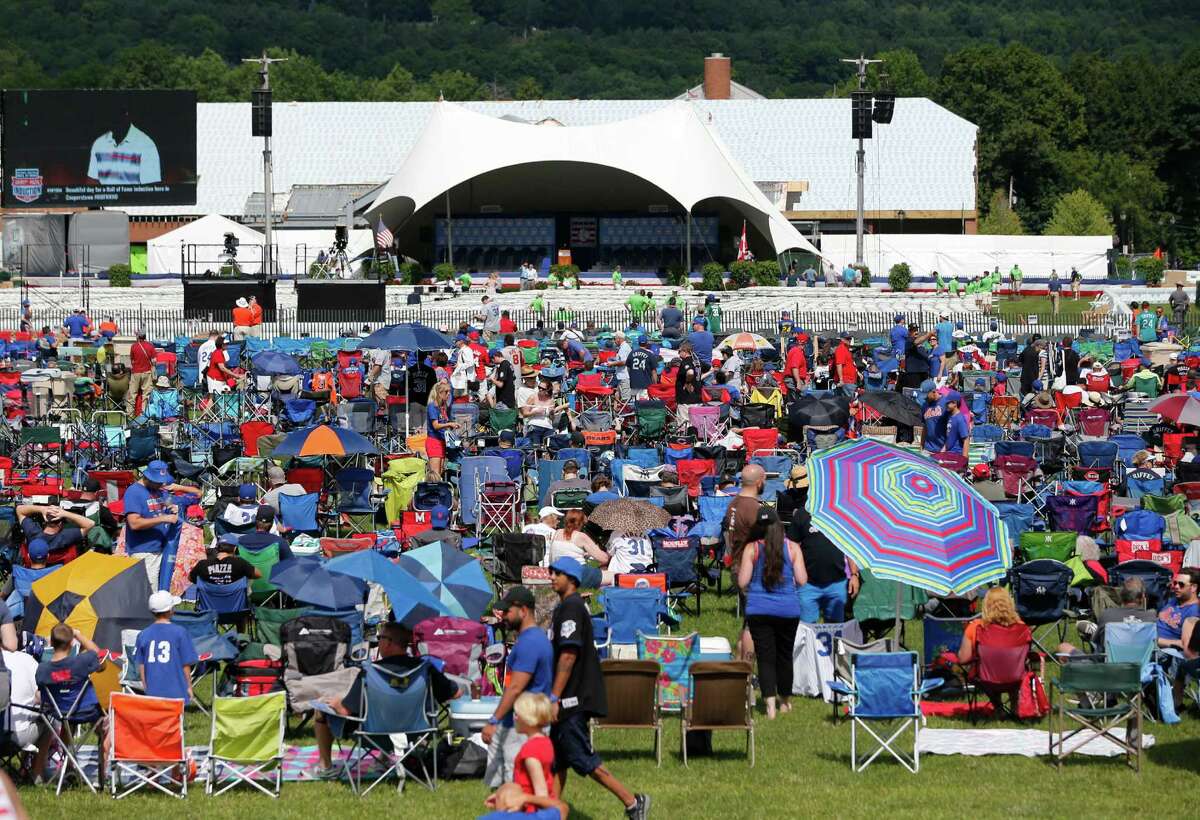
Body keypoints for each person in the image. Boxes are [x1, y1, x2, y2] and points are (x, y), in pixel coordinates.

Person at [547, 557, 648, 819]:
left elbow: (568, 656)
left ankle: (632, 802)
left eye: (556, 573)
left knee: (583, 758)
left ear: (571, 579)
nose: (551, 577)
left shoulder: (571, 608)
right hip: (566, 697)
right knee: (559, 759)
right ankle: (550, 812)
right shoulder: (564, 608)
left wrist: (554, 696)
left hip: (572, 697)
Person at [311, 621, 460, 779]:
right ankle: (383, 760)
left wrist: (334, 703)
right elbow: (455, 694)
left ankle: (325, 766)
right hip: (417, 734)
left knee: (320, 710)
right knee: (393, 707)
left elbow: (345, 710)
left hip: (373, 736)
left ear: (389, 642)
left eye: (380, 637)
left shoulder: (371, 672)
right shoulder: (425, 669)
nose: (378, 641)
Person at [738, 507, 806, 719]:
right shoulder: (793, 548)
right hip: (788, 610)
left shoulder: (752, 549)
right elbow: (802, 580)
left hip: (759, 609)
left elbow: (742, 582)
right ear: (779, 524)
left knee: (765, 658)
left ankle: (768, 706)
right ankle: (784, 702)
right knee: (784, 656)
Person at [483, 586, 555, 787]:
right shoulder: (532, 639)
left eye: (508, 611)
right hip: (520, 719)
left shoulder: (529, 643)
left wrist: (494, 720)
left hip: (523, 721)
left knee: (516, 779)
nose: (503, 616)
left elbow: (515, 687)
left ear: (523, 611)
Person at [33, 624, 111, 786]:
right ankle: (103, 777)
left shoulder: (42, 670)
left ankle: (64, 768)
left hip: (59, 713)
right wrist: (78, 635)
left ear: (51, 643)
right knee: (108, 727)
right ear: (70, 644)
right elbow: (102, 661)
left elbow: (39, 695)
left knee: (68, 719)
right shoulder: (82, 662)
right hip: (87, 712)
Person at [123, 460, 180, 588]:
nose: (162, 483)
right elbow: (134, 523)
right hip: (144, 551)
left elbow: (168, 500)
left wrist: (172, 506)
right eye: (158, 481)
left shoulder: (158, 490)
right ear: (147, 477)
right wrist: (163, 518)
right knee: (149, 593)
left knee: (162, 590)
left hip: (161, 548)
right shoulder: (134, 492)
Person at [134, 590, 198, 703]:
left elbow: (141, 665)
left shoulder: (143, 635)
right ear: (170, 611)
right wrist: (188, 686)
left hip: (153, 691)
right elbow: (186, 664)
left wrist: (146, 687)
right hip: (176, 691)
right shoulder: (180, 632)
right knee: (174, 720)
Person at [1063, 578, 1155, 655]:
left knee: (1063, 647)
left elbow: (1096, 642)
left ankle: (1093, 629)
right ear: (1143, 597)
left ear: (1121, 596)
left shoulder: (1108, 616)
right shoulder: (1151, 618)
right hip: (1142, 669)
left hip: (1109, 668)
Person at [954, 587, 1027, 667]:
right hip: (1016, 677)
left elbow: (963, 659)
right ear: (1010, 603)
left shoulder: (976, 627)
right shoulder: (1022, 627)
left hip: (982, 677)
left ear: (986, 604)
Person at [16, 503, 93, 567]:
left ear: (45, 520)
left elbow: (19, 509)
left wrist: (42, 509)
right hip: (59, 574)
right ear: (60, 523)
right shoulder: (66, 537)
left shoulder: (32, 532)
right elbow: (90, 524)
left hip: (34, 571)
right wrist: (65, 513)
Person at [3, 642, 40, 755]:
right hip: (15, 736)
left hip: (6, 733)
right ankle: (36, 770)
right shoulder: (26, 659)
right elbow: (41, 696)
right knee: (51, 721)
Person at [1158, 568, 1200, 650]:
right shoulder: (1174, 599)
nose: (1176, 587)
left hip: (1164, 651)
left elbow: (1185, 644)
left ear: (1194, 587)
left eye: (1181, 584)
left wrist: (1156, 641)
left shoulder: (1194, 611)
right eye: (1175, 583)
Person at [482, 783, 570, 820]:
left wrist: (499, 799)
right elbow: (563, 808)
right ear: (523, 805)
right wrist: (527, 798)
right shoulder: (535, 818)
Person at [426, 381, 458, 480]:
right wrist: (449, 424)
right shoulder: (432, 406)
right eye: (446, 392)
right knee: (435, 474)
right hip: (434, 442)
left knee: (440, 472)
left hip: (442, 441)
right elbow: (435, 425)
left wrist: (450, 426)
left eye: (449, 391)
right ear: (439, 393)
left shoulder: (443, 407)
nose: (449, 394)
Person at [126, 330, 157, 417]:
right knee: (146, 395)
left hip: (136, 372)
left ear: (138, 337)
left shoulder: (134, 346)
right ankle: (144, 415)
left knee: (132, 394)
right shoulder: (150, 346)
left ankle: (130, 414)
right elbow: (154, 361)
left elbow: (132, 360)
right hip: (147, 372)